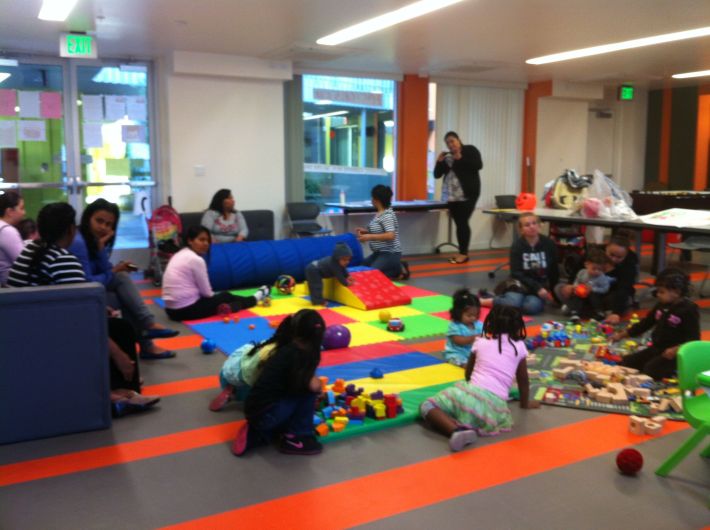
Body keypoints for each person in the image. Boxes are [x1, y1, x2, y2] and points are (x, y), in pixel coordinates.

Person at [7, 202, 159, 414]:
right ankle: (118, 392)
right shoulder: (64, 260)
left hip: (17, 330)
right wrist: (118, 355)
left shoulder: (29, 251)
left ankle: (115, 386)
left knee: (107, 316)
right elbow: (83, 321)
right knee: (120, 329)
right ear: (72, 229)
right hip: (46, 336)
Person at [69, 198, 178, 360]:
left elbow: (105, 271)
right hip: (80, 294)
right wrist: (115, 270)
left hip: (94, 287)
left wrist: (101, 249)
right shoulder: (79, 242)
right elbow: (88, 282)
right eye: (99, 221)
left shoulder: (95, 241)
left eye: (108, 224)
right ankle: (148, 331)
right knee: (121, 282)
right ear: (87, 218)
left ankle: (148, 337)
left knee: (122, 281)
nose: (103, 227)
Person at [420, 305, 539, 452]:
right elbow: (523, 380)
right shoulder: (519, 346)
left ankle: (455, 431)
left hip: (469, 393)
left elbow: (468, 374)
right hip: (493, 408)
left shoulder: (480, 342)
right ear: (517, 327)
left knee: (427, 406)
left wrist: (468, 391)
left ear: (490, 323)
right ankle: (464, 427)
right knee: (471, 412)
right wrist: (525, 404)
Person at [232, 309, 326, 456]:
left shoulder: (291, 349)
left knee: (303, 390)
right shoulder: (293, 354)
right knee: (308, 393)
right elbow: (311, 385)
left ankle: (258, 432)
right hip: (264, 415)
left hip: (257, 410)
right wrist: (317, 386)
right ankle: (296, 438)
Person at [162, 225, 270, 321]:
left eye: (208, 241)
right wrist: (217, 299)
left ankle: (235, 305)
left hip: (170, 311)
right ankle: (256, 297)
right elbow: (207, 293)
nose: (206, 244)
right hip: (186, 310)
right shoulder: (195, 260)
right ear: (190, 241)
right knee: (226, 296)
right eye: (201, 240)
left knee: (223, 299)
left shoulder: (180, 254)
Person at [612, 268, 699, 380]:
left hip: (675, 354)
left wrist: (676, 349)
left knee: (651, 370)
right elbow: (646, 323)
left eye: (662, 292)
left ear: (677, 292)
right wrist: (622, 334)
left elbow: (694, 340)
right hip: (657, 348)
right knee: (627, 362)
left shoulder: (689, 310)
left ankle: (673, 371)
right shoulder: (662, 305)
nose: (658, 294)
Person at [209, 315, 294, 411]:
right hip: (243, 382)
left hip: (231, 371)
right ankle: (236, 389)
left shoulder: (271, 344)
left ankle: (234, 388)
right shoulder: (276, 355)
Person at [481, 212, 558, 315]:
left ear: (539, 225)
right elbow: (516, 273)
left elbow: (554, 270)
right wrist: (537, 288)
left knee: (532, 307)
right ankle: (483, 301)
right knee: (513, 304)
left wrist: (554, 293)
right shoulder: (517, 246)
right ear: (521, 230)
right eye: (527, 225)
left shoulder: (549, 244)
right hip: (520, 284)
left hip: (539, 286)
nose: (532, 227)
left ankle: (506, 300)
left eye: (534, 223)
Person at [433, 131, 483, 264]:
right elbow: (437, 175)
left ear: (458, 140)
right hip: (451, 195)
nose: (450, 144)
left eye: (452, 141)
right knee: (459, 223)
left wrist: (459, 157)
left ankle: (463, 254)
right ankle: (462, 252)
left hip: (468, 194)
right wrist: (439, 162)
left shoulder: (470, 150)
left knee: (462, 222)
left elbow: (478, 166)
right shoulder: (447, 157)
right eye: (448, 142)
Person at [355, 184, 409, 280]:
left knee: (371, 275)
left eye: (372, 197)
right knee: (362, 267)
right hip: (379, 253)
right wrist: (366, 232)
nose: (371, 199)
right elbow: (380, 231)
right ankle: (395, 267)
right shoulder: (379, 214)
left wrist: (369, 237)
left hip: (390, 253)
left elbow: (390, 235)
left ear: (376, 199)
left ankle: (398, 269)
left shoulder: (387, 215)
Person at [559, 247, 613, 320]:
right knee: (574, 294)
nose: (596, 271)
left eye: (600, 269)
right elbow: (577, 281)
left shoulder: (602, 278)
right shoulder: (582, 272)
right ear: (586, 264)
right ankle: (575, 312)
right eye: (594, 268)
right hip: (582, 294)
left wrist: (593, 289)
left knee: (595, 296)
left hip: (594, 297)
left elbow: (605, 289)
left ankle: (599, 312)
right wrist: (575, 287)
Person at [443, 288, 483, 367]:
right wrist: (473, 338)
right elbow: (458, 341)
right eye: (469, 315)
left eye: (476, 315)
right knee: (455, 359)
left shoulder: (478, 324)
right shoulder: (455, 325)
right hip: (457, 353)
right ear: (458, 313)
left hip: (472, 354)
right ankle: (466, 366)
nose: (473, 318)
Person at [0, 191, 26, 286]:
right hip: (10, 288)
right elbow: (23, 261)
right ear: (10, 212)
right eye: (21, 208)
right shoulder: (7, 231)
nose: (24, 213)